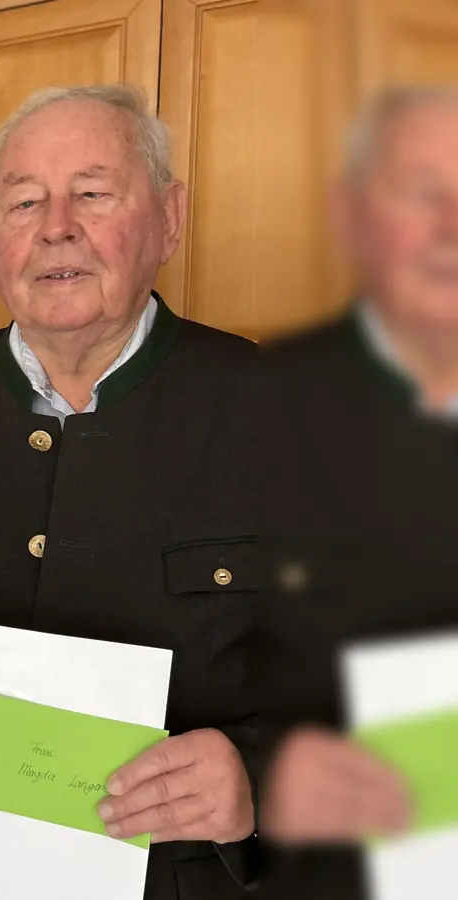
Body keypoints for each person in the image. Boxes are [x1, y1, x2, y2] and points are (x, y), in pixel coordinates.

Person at [0, 85, 262, 899]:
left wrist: (263, 781)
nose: (55, 226)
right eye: (24, 200)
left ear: (170, 218)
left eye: (93, 194)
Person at [254, 86, 458, 900]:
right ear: (350, 219)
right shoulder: (252, 406)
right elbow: (178, 654)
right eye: (423, 194)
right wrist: (266, 770)